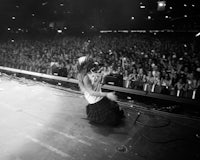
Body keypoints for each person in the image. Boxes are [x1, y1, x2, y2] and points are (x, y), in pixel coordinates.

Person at [77, 55, 124, 126]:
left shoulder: (88, 73)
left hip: (98, 97)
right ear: (84, 66)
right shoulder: (85, 77)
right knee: (113, 119)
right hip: (96, 100)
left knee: (115, 109)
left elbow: (94, 85)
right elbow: (91, 92)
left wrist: (100, 79)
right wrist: (107, 94)